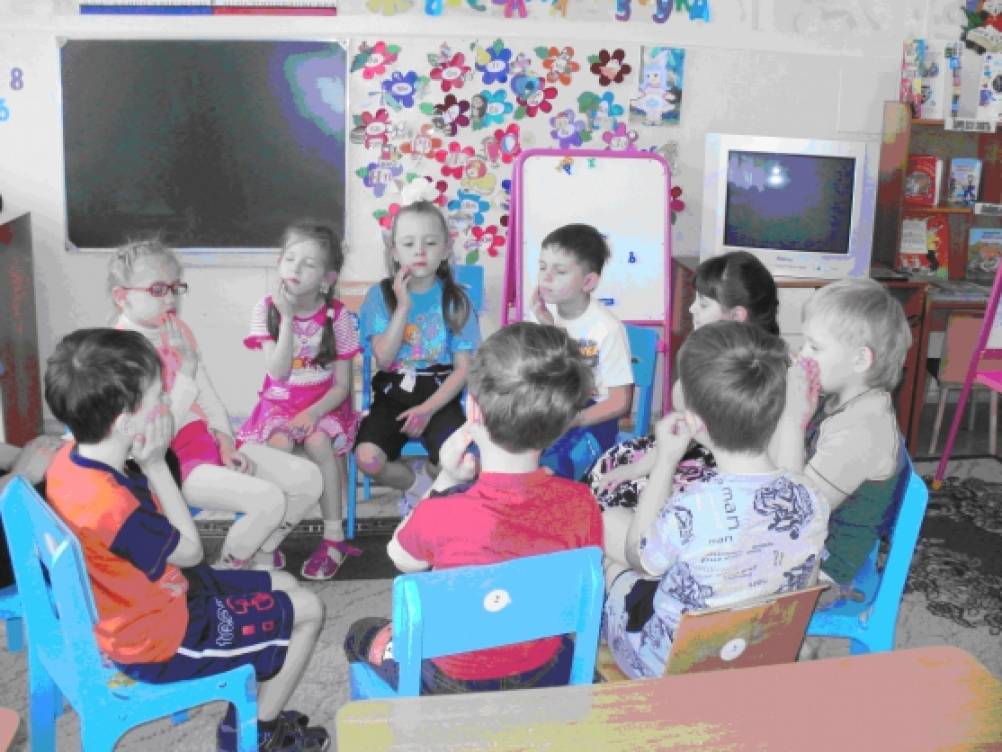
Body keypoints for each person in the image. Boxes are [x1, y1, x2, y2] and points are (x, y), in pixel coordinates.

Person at [42, 328, 328, 752]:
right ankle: (259, 733)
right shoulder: (113, 509)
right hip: (162, 641)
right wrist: (156, 465)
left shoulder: (67, 461)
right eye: (158, 396)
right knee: (309, 609)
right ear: (125, 423)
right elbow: (191, 551)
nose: (166, 403)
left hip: (149, 598)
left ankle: (257, 701)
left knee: (283, 583)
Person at [344, 322, 604, 694]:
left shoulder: (443, 512)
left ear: (473, 409)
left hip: (451, 681)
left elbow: (400, 556)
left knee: (360, 633)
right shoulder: (581, 503)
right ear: (562, 424)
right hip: (541, 672)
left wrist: (445, 478)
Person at [602, 321, 829, 679]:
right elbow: (806, 580)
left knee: (611, 551)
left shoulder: (691, 507)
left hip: (668, 667)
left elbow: (640, 559)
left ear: (695, 422)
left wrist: (665, 462)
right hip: (761, 653)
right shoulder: (811, 498)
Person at [108, 238, 322, 571]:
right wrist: (186, 370)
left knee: (308, 479)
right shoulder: (118, 350)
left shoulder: (176, 329)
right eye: (158, 290)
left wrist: (225, 441)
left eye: (176, 288)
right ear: (122, 297)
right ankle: (227, 570)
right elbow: (156, 434)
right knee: (268, 500)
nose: (171, 298)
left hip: (204, 441)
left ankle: (258, 549)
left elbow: (207, 396)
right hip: (167, 461)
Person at [585, 250, 780, 508]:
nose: (691, 309)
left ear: (736, 316)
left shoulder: (759, 374)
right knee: (610, 463)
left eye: (704, 304)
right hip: (685, 448)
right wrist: (636, 467)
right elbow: (683, 426)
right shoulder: (711, 357)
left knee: (613, 494)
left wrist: (644, 469)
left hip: (724, 472)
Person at [773, 278, 911, 607]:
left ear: (860, 360)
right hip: (804, 544)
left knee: (715, 565)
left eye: (815, 347)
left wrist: (792, 419)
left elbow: (795, 514)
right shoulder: (840, 400)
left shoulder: (861, 430)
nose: (803, 354)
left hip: (821, 571)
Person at [238, 222, 362, 580]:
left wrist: (313, 413)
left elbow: (342, 386)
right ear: (279, 262)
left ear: (327, 278)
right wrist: (288, 318)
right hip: (279, 402)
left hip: (324, 403)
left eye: (309, 264)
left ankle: (333, 538)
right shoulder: (266, 309)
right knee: (277, 447)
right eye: (290, 258)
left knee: (319, 442)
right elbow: (277, 373)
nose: (295, 268)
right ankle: (270, 536)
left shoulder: (338, 316)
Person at [354, 199, 480, 517]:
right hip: (393, 393)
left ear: (446, 249)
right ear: (395, 252)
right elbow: (384, 360)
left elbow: (463, 370)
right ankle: (418, 486)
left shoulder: (456, 299)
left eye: (431, 243)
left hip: (440, 394)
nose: (420, 251)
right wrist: (403, 307)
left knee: (463, 462)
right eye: (409, 244)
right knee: (367, 458)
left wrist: (427, 409)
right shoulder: (380, 296)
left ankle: (435, 486)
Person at [529, 223, 634, 479]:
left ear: (588, 282)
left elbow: (620, 402)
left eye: (560, 271)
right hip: (552, 407)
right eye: (542, 267)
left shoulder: (607, 328)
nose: (546, 278)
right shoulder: (540, 316)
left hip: (593, 418)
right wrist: (548, 329)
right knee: (508, 450)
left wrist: (575, 419)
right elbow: (536, 376)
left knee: (556, 466)